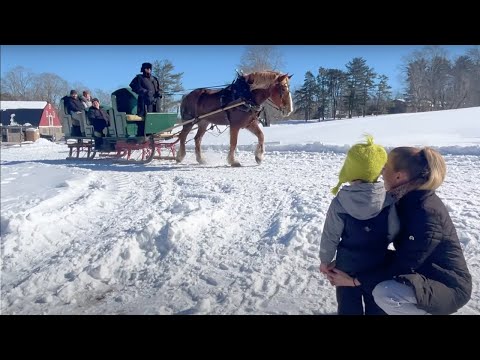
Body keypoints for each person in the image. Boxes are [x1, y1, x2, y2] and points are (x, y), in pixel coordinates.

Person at [326, 146, 472, 315]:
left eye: (385, 167)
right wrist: (350, 260)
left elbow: (404, 265)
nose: (381, 172)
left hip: (447, 287)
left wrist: (354, 281)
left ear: (399, 176)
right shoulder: (405, 199)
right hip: (422, 274)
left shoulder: (425, 212)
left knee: (386, 293)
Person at [319, 135, 399, 315]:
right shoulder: (388, 200)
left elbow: (330, 235)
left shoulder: (340, 202)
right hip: (377, 264)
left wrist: (325, 261)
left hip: (346, 266)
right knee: (376, 305)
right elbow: (393, 231)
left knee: (348, 306)